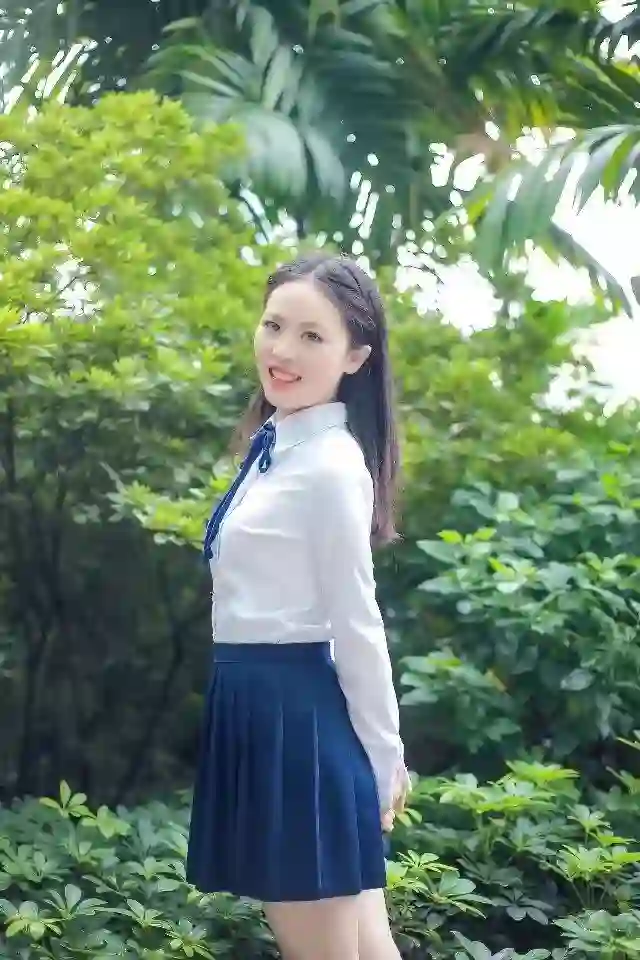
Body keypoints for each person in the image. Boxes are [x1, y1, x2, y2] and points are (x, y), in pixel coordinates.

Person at [186, 252, 410, 959]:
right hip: (272, 713)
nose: (282, 351)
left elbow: (356, 620)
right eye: (274, 326)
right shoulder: (278, 449)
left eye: (312, 336)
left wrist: (384, 760)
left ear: (356, 356)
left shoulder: (329, 466)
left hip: (296, 725)